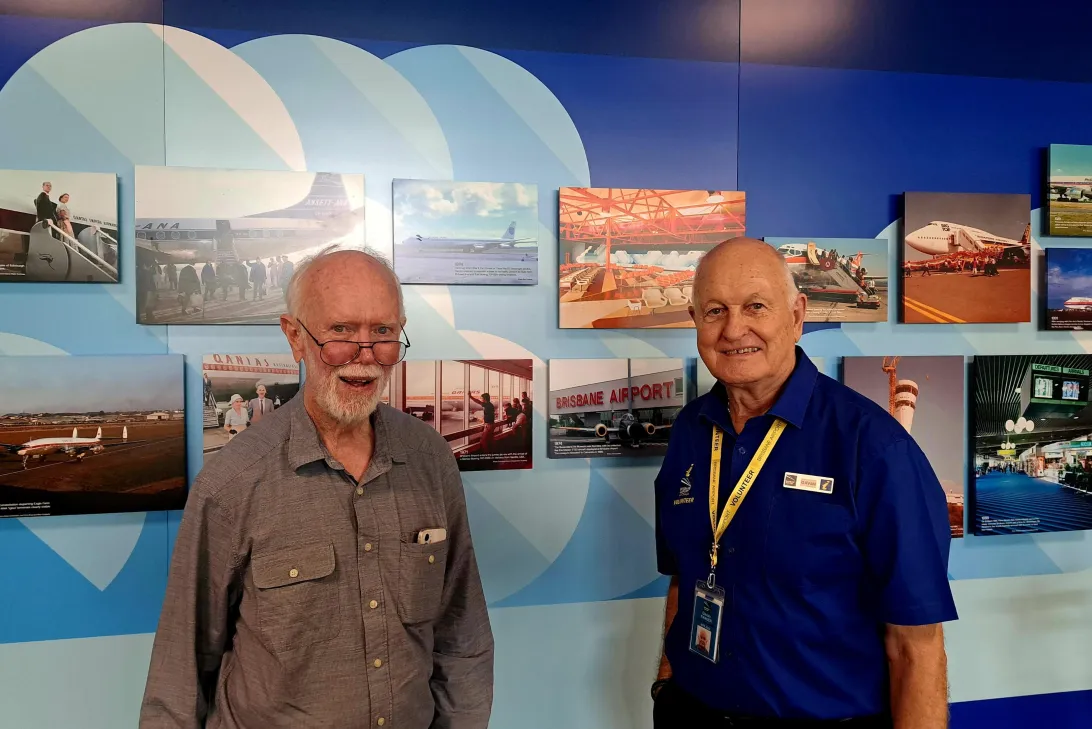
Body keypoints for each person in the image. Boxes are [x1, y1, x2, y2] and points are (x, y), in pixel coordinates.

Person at [140, 247, 493, 729]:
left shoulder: (430, 459)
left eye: (383, 333)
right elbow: (180, 671)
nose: (364, 357)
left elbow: (461, 630)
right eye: (341, 332)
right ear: (294, 336)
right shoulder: (232, 481)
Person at [651, 238, 956, 729]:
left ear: (797, 316)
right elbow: (686, 578)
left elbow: (916, 646)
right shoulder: (690, 431)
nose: (734, 329)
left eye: (755, 306)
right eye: (714, 311)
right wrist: (666, 683)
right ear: (695, 321)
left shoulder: (875, 449)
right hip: (693, 711)